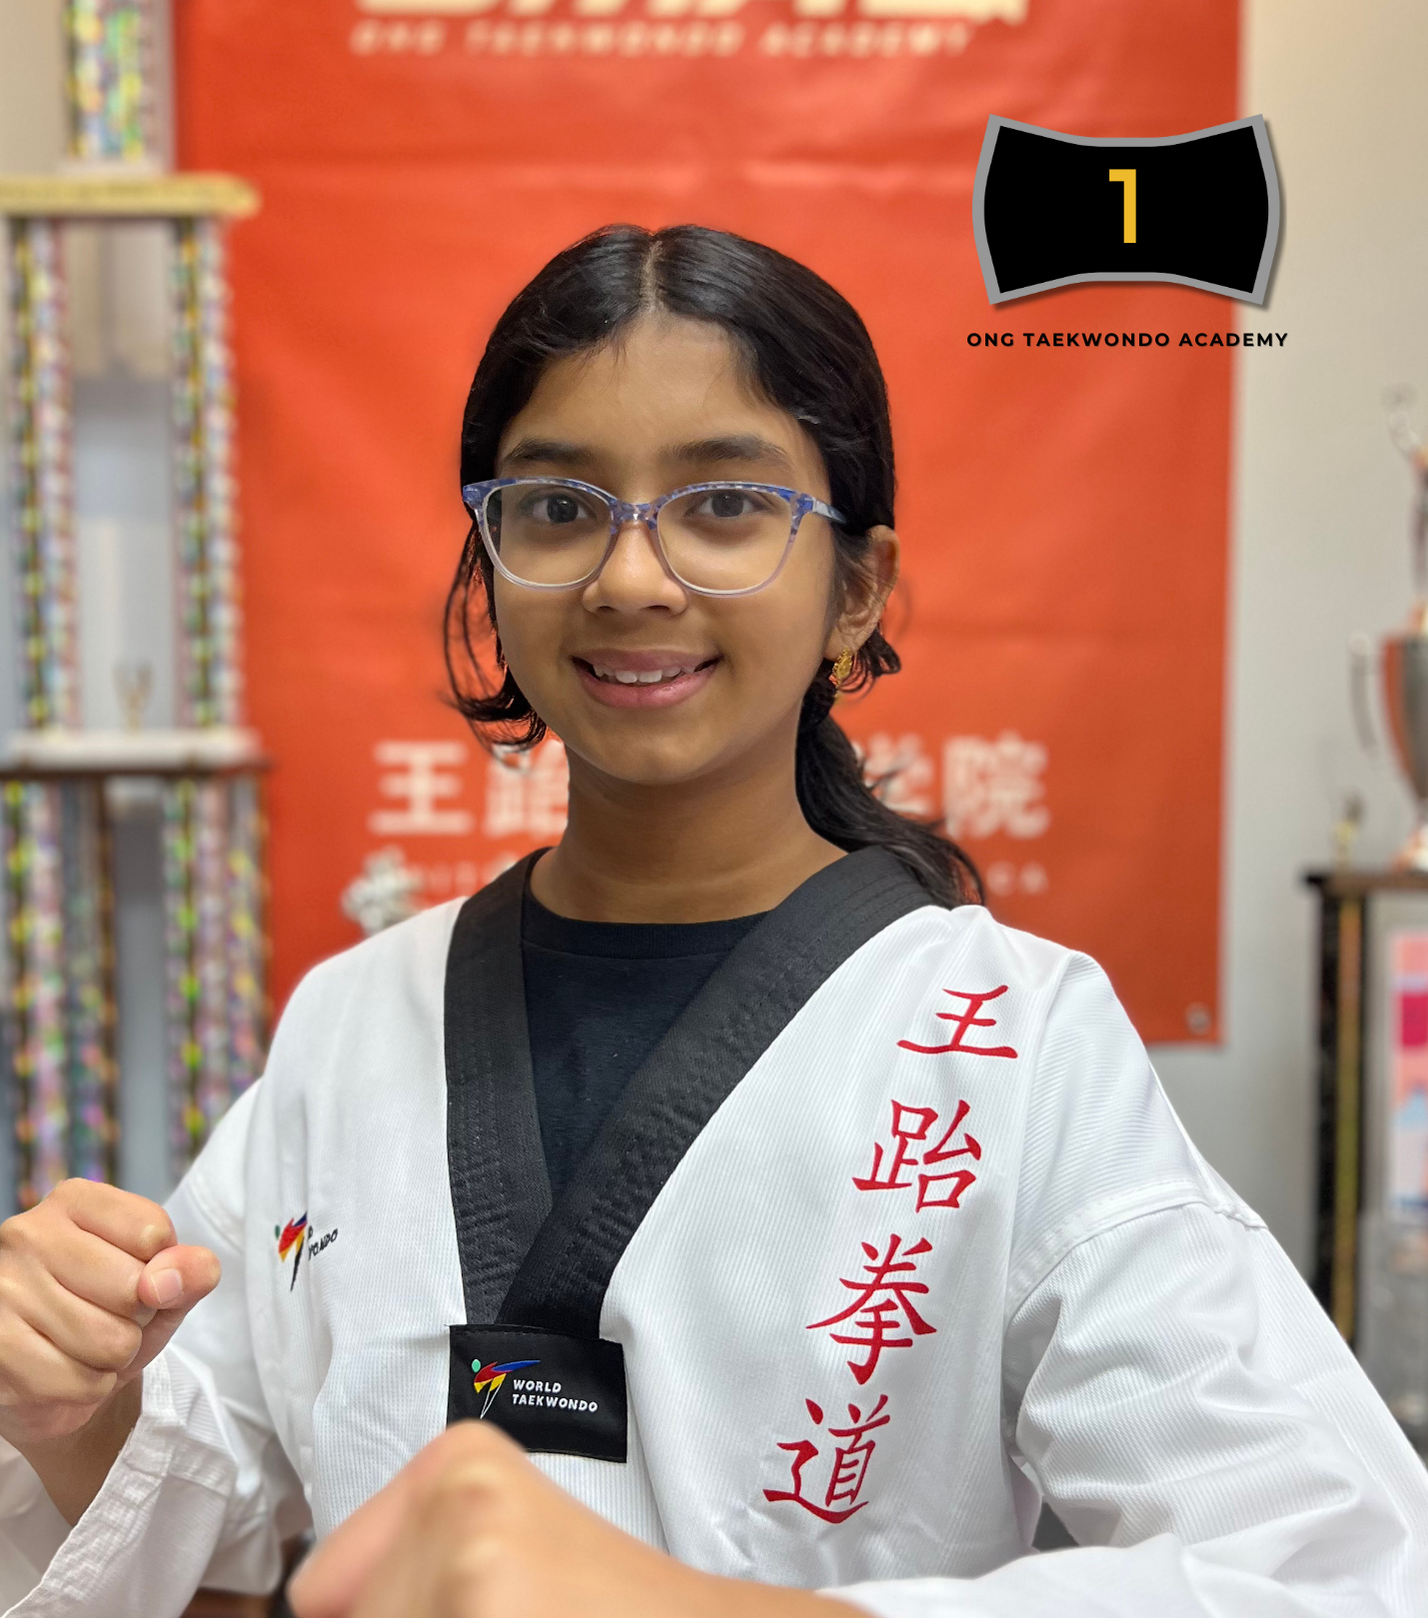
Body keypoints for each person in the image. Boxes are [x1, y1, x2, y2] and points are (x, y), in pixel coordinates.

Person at [0, 224, 1422, 1618]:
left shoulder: (1008, 1040)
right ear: (492, 566)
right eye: (559, 507)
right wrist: (72, 1393)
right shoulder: (353, 1018)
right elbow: (211, 1528)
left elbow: (1326, 1561)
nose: (631, 576)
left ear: (857, 590)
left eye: (725, 505)